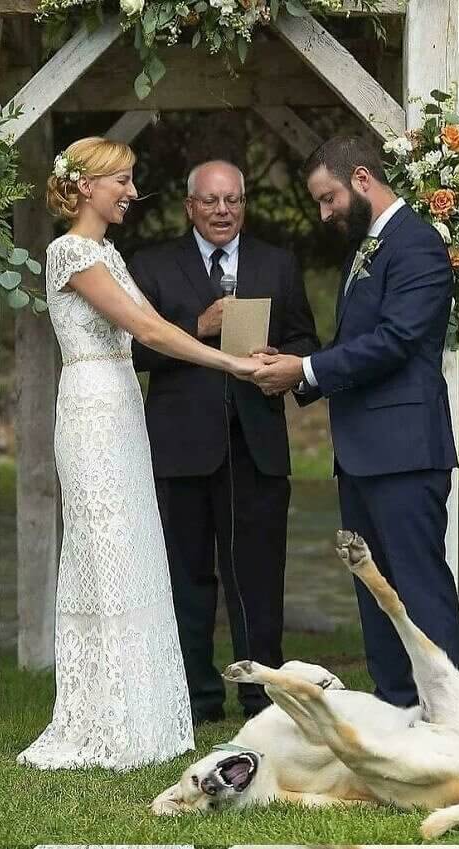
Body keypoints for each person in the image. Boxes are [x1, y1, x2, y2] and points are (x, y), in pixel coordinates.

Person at [16, 138, 258, 771]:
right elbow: (147, 330)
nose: (130, 192)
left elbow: (161, 326)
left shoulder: (108, 253)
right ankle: (104, 715)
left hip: (124, 405)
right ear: (87, 186)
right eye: (121, 180)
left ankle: (142, 712)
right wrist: (231, 363)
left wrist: (232, 342)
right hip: (92, 407)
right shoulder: (70, 252)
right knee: (105, 551)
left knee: (135, 547)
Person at [252, 136, 459, 708]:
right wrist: (296, 369)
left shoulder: (417, 244)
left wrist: (307, 368)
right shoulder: (367, 247)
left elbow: (396, 340)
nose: (325, 213)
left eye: (329, 198)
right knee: (376, 588)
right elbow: (356, 343)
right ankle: (397, 706)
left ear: (363, 178)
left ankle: (448, 715)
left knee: (418, 586)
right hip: (363, 452)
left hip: (405, 449)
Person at [129, 160, 319, 723]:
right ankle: (195, 699)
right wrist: (197, 328)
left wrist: (282, 359)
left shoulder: (277, 264)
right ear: (190, 207)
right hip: (180, 447)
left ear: (244, 205)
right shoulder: (152, 266)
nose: (222, 211)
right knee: (186, 579)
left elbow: (306, 340)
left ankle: (263, 698)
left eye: (232, 200)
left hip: (256, 445)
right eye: (210, 201)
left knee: (258, 578)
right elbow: (130, 351)